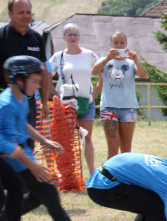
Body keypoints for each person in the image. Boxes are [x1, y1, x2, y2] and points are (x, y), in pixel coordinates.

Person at [1, 56, 97, 221]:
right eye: (35, 82)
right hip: (12, 157)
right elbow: (5, 142)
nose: (38, 87)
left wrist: (44, 141)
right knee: (46, 191)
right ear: (19, 79)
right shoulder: (6, 104)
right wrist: (33, 165)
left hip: (21, 154)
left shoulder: (20, 99)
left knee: (33, 195)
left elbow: (24, 125)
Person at [49, 23, 103, 174]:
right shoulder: (58, 56)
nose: (72, 37)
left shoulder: (89, 54)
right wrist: (57, 95)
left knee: (87, 138)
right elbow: (46, 76)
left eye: (75, 34)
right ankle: (67, 174)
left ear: (79, 37)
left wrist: (95, 93)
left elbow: (102, 72)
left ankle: (92, 173)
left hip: (86, 102)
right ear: (63, 37)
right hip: (65, 104)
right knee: (65, 139)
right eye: (69, 34)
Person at [91, 31, 147, 160]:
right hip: (109, 107)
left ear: (126, 44)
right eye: (116, 43)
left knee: (126, 149)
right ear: (110, 44)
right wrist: (107, 59)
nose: (119, 45)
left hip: (128, 107)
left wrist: (136, 60)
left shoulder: (131, 62)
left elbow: (143, 75)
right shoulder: (104, 61)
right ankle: (110, 177)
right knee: (113, 148)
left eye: (122, 43)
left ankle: (124, 178)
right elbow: (94, 71)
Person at [0, 0, 51, 127]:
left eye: (28, 12)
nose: (26, 16)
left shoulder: (37, 38)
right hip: (4, 102)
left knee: (28, 144)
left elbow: (44, 72)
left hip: (29, 103)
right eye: (21, 12)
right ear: (10, 14)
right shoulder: (1, 36)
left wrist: (44, 102)